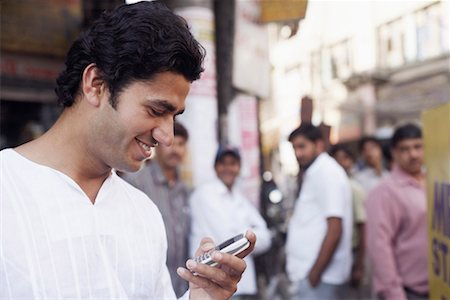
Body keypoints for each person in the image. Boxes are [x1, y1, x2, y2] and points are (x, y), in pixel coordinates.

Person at [0, 2, 256, 299]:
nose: (167, 136)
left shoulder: (143, 213)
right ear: (96, 85)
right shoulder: (7, 188)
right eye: (156, 110)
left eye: (174, 117)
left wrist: (200, 295)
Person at [189, 145, 272, 299]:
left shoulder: (239, 197)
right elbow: (228, 241)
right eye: (223, 163)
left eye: (233, 163)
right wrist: (248, 235)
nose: (228, 168)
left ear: (239, 167)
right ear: (215, 167)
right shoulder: (204, 195)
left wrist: (246, 237)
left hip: (243, 284)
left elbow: (265, 237)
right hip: (215, 286)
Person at [121, 121, 191, 297]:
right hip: (149, 288)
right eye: (171, 143)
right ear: (156, 146)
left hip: (182, 287)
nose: (176, 150)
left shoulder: (185, 190)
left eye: (181, 144)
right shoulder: (135, 183)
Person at [286, 124, 352, 300]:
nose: (298, 153)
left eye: (302, 146)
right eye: (294, 148)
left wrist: (314, 275)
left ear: (319, 144)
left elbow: (335, 228)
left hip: (321, 278)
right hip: (312, 276)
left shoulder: (327, 172)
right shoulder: (315, 171)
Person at [366, 123, 428, 300]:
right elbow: (380, 248)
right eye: (405, 149)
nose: (413, 154)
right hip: (409, 291)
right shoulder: (385, 192)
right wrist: (394, 294)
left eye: (418, 147)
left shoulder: (434, 182)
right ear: (394, 152)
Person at [330, 144, 368, 297]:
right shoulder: (332, 188)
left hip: (351, 251)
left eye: (344, 159)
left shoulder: (354, 188)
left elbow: (363, 227)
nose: (341, 163)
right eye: (336, 159)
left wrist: (359, 264)